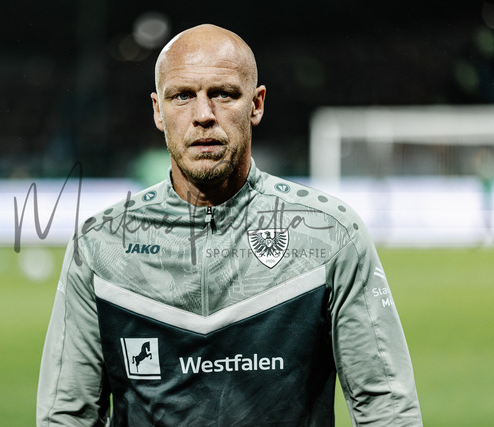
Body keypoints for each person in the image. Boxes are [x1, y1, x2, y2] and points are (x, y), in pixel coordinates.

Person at [37, 24, 422, 426]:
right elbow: (67, 415)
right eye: (182, 96)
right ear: (157, 111)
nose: (203, 115)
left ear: (256, 104)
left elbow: (387, 409)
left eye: (223, 94)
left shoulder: (330, 234)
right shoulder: (100, 245)